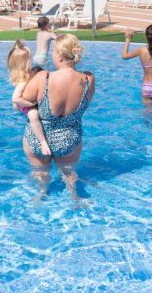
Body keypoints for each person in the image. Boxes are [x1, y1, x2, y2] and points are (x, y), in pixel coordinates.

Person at [21, 34, 95, 201]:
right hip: (68, 140)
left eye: (53, 52)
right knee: (69, 173)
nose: (52, 55)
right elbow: (88, 100)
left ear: (60, 55)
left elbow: (24, 100)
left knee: (40, 173)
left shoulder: (44, 77)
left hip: (38, 139)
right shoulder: (88, 79)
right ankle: (74, 197)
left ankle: (41, 194)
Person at [7, 40, 51, 156]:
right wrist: (31, 104)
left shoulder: (32, 71)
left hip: (29, 101)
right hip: (25, 104)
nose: (31, 59)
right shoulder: (23, 78)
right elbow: (15, 99)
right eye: (29, 58)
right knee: (33, 115)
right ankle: (43, 142)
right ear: (24, 62)